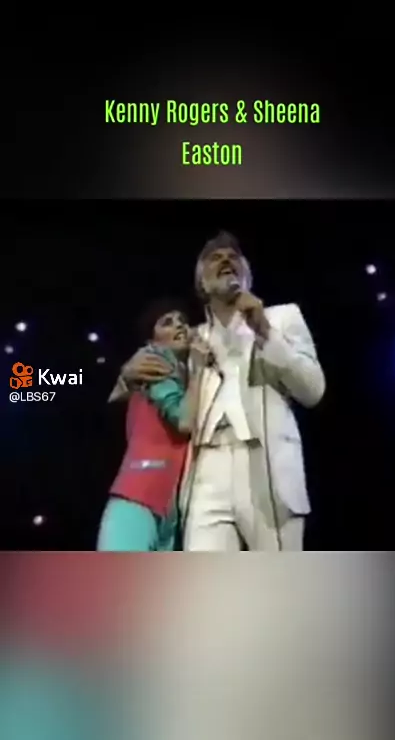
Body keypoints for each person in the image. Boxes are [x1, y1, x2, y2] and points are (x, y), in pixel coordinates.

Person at [110, 232, 325, 551]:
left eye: (233, 257)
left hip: (265, 463)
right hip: (205, 472)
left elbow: (313, 390)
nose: (226, 260)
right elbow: (138, 393)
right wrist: (126, 376)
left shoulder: (282, 318)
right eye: (215, 258)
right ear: (201, 283)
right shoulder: (190, 339)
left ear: (247, 275)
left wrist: (265, 333)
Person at [97, 297, 209, 551]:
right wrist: (199, 371)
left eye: (182, 321)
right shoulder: (154, 361)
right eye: (167, 322)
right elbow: (184, 421)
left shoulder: (182, 372)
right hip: (139, 497)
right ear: (151, 339)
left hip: (169, 509)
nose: (179, 325)